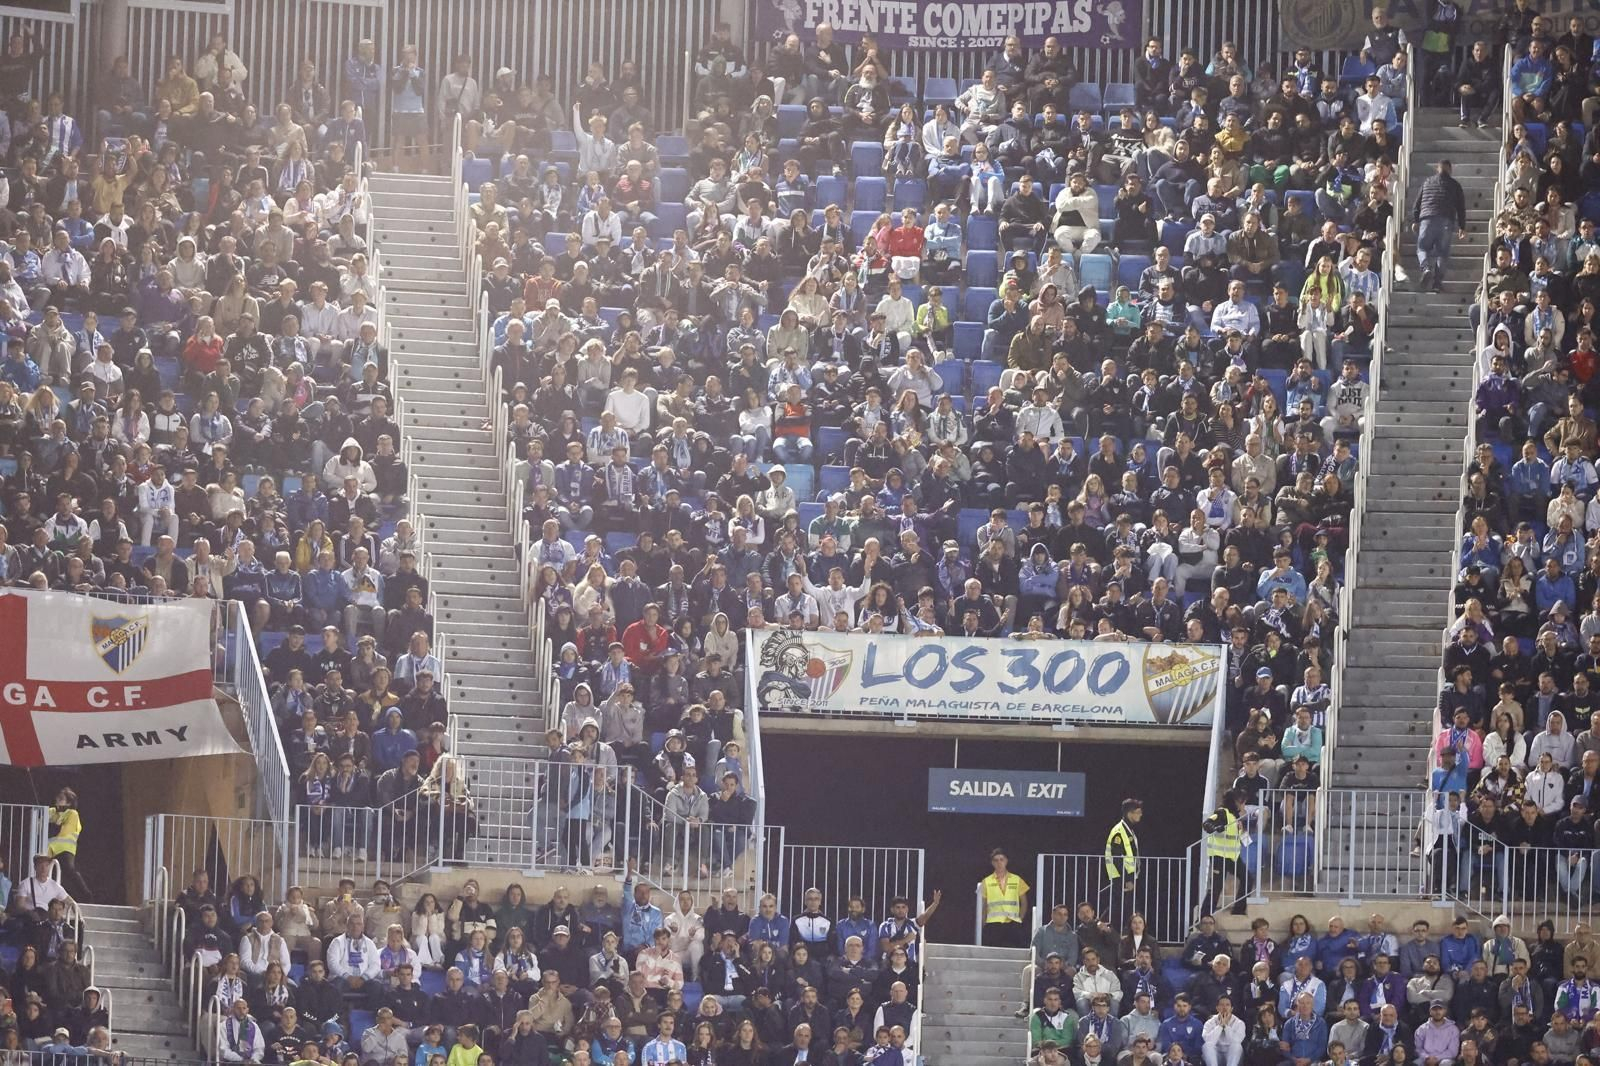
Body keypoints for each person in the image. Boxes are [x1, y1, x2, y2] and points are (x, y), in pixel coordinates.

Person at [978, 847, 1030, 948]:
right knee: (992, 953)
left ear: (1006, 861)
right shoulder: (986, 881)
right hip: (993, 924)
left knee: (1015, 951)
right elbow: (983, 905)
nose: (999, 863)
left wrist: (1020, 919)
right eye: (996, 860)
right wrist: (983, 923)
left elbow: (1024, 902)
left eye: (1002, 859)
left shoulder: (1017, 879)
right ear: (992, 863)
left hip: (1013, 922)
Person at [1104, 798, 1143, 933]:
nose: (1140, 815)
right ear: (1129, 813)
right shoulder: (1119, 832)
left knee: (1121, 908)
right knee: (1121, 910)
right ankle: (1105, 930)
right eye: (1138, 812)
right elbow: (1117, 858)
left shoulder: (1128, 830)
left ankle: (1109, 930)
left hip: (1127, 878)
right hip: (1120, 878)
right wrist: (1127, 879)